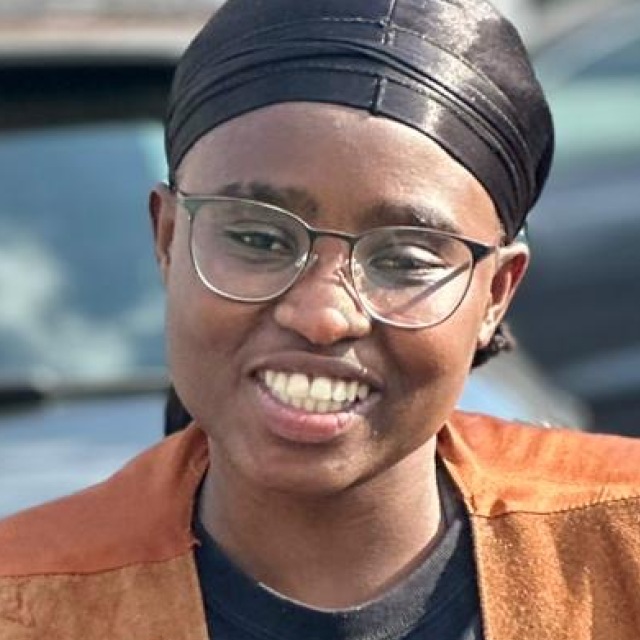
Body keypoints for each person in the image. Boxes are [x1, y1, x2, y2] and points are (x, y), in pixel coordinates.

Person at [1, 1, 639, 638]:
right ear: (168, 239)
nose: (323, 316)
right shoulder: (26, 603)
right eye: (258, 240)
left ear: (496, 294)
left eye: (405, 260)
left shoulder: (621, 546)